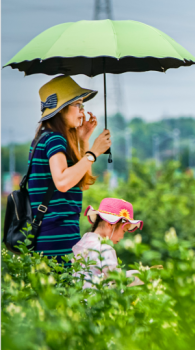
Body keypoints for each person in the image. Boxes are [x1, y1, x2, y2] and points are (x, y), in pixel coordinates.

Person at [26, 76, 112, 259]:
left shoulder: (43, 138)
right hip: (56, 236)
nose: (82, 112)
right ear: (61, 109)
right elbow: (63, 182)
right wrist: (94, 152)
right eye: (78, 105)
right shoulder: (55, 139)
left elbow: (83, 182)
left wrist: (83, 140)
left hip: (55, 235)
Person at [73, 198, 144, 288]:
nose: (122, 237)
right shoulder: (104, 248)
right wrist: (142, 274)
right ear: (110, 224)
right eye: (124, 231)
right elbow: (117, 278)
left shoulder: (84, 241)